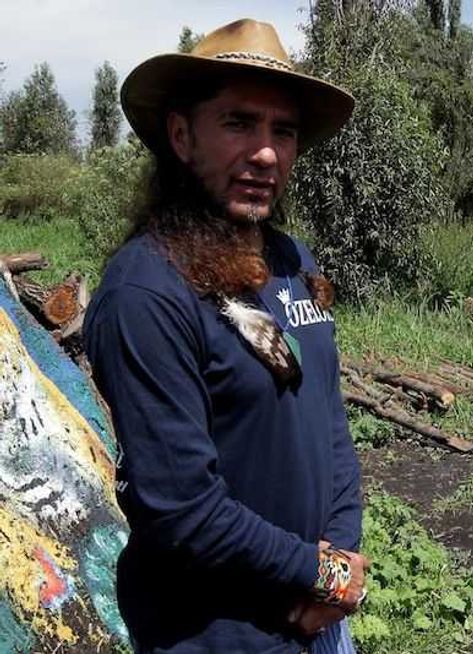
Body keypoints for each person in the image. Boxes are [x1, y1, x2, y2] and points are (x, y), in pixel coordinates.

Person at [83, 18, 368, 653]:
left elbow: (329, 423)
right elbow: (181, 506)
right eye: (239, 123)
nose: (265, 152)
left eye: (283, 130)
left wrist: (340, 562)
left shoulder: (293, 261)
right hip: (218, 636)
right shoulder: (147, 292)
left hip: (320, 625)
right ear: (182, 137)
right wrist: (320, 572)